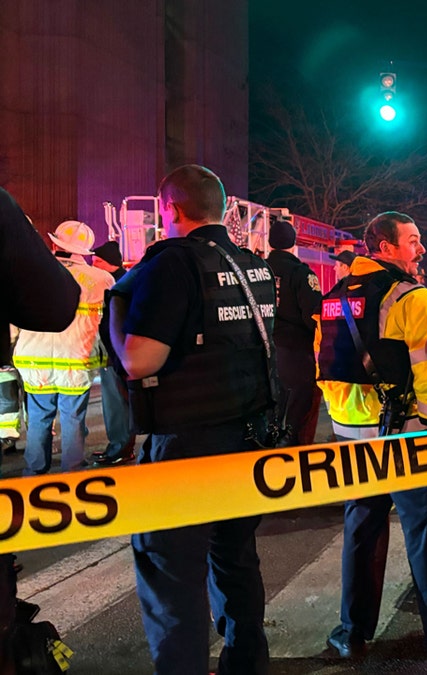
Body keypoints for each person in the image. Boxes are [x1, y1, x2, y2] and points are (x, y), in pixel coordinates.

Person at [108, 164, 274, 675]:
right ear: (222, 209)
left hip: (186, 446)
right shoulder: (253, 265)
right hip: (247, 436)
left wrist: (114, 322)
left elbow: (141, 360)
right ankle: (246, 663)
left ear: (170, 210)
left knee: (170, 573)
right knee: (235, 558)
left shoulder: (171, 265)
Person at [315, 212, 427, 659]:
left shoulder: (333, 297)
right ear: (384, 247)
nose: (420, 250)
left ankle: (353, 633)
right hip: (408, 432)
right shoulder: (412, 297)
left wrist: (347, 420)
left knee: (361, 530)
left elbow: (323, 368)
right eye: (413, 241)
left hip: (351, 436)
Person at [0, 187, 81, 675]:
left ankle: (36, 469)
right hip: (70, 366)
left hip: (35, 366)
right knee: (68, 423)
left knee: (41, 425)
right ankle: (71, 479)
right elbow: (55, 303)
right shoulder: (96, 277)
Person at [13, 220, 113, 475]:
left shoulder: (30, 274)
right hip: (76, 360)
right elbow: (108, 322)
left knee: (38, 419)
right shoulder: (101, 279)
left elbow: (14, 318)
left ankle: (34, 474)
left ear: (55, 243)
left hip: (34, 361)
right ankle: (73, 473)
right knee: (72, 420)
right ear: (85, 250)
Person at [266, 220, 323, 446]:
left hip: (264, 353)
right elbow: (314, 316)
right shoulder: (301, 273)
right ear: (293, 243)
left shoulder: (257, 269)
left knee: (270, 416)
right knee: (298, 421)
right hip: (296, 354)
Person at [90, 240, 136, 466]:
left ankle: (120, 449)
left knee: (117, 405)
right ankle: (117, 447)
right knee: (117, 405)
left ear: (108, 263)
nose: (93, 264)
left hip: (114, 354)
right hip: (116, 352)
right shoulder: (123, 280)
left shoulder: (116, 284)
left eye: (97, 260)